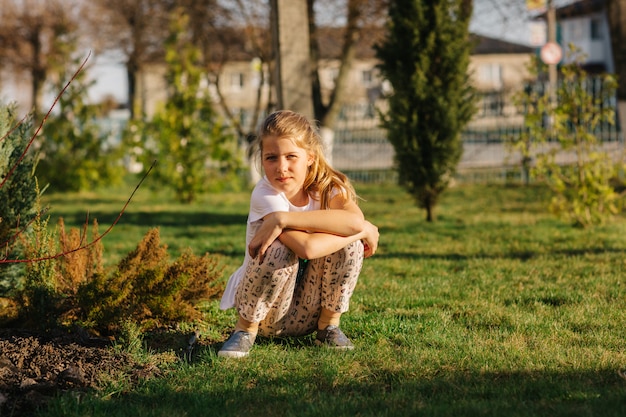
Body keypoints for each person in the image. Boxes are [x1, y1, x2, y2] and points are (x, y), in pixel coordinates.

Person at [218, 110, 379, 358]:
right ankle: (244, 331)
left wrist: (284, 219)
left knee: (350, 247)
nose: (281, 168)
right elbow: (307, 248)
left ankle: (328, 328)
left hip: (310, 312)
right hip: (266, 315)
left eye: (291, 156)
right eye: (271, 158)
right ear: (262, 159)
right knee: (277, 248)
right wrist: (360, 230)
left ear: (310, 158)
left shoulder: (328, 187)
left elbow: (353, 220)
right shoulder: (265, 195)